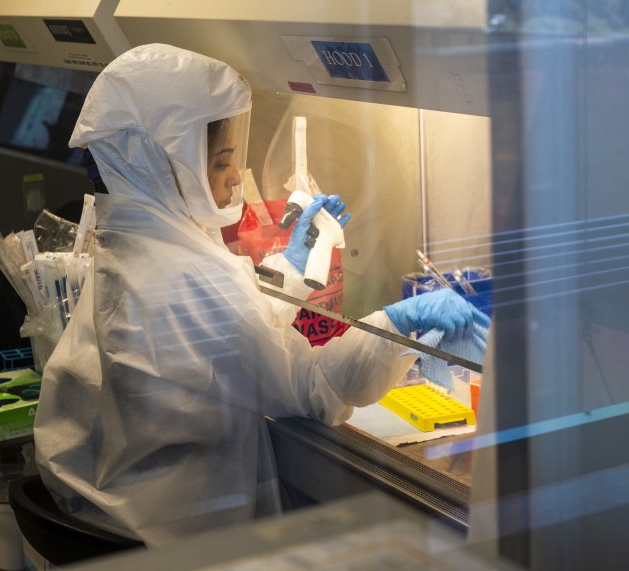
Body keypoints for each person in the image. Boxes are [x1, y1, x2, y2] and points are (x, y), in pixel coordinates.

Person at [33, 44, 489, 546]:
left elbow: (224, 332)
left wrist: (291, 270)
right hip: (178, 536)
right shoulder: (176, 275)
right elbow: (315, 390)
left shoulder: (135, 247)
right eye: (221, 161)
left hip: (118, 504)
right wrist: (404, 323)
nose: (233, 176)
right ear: (165, 165)